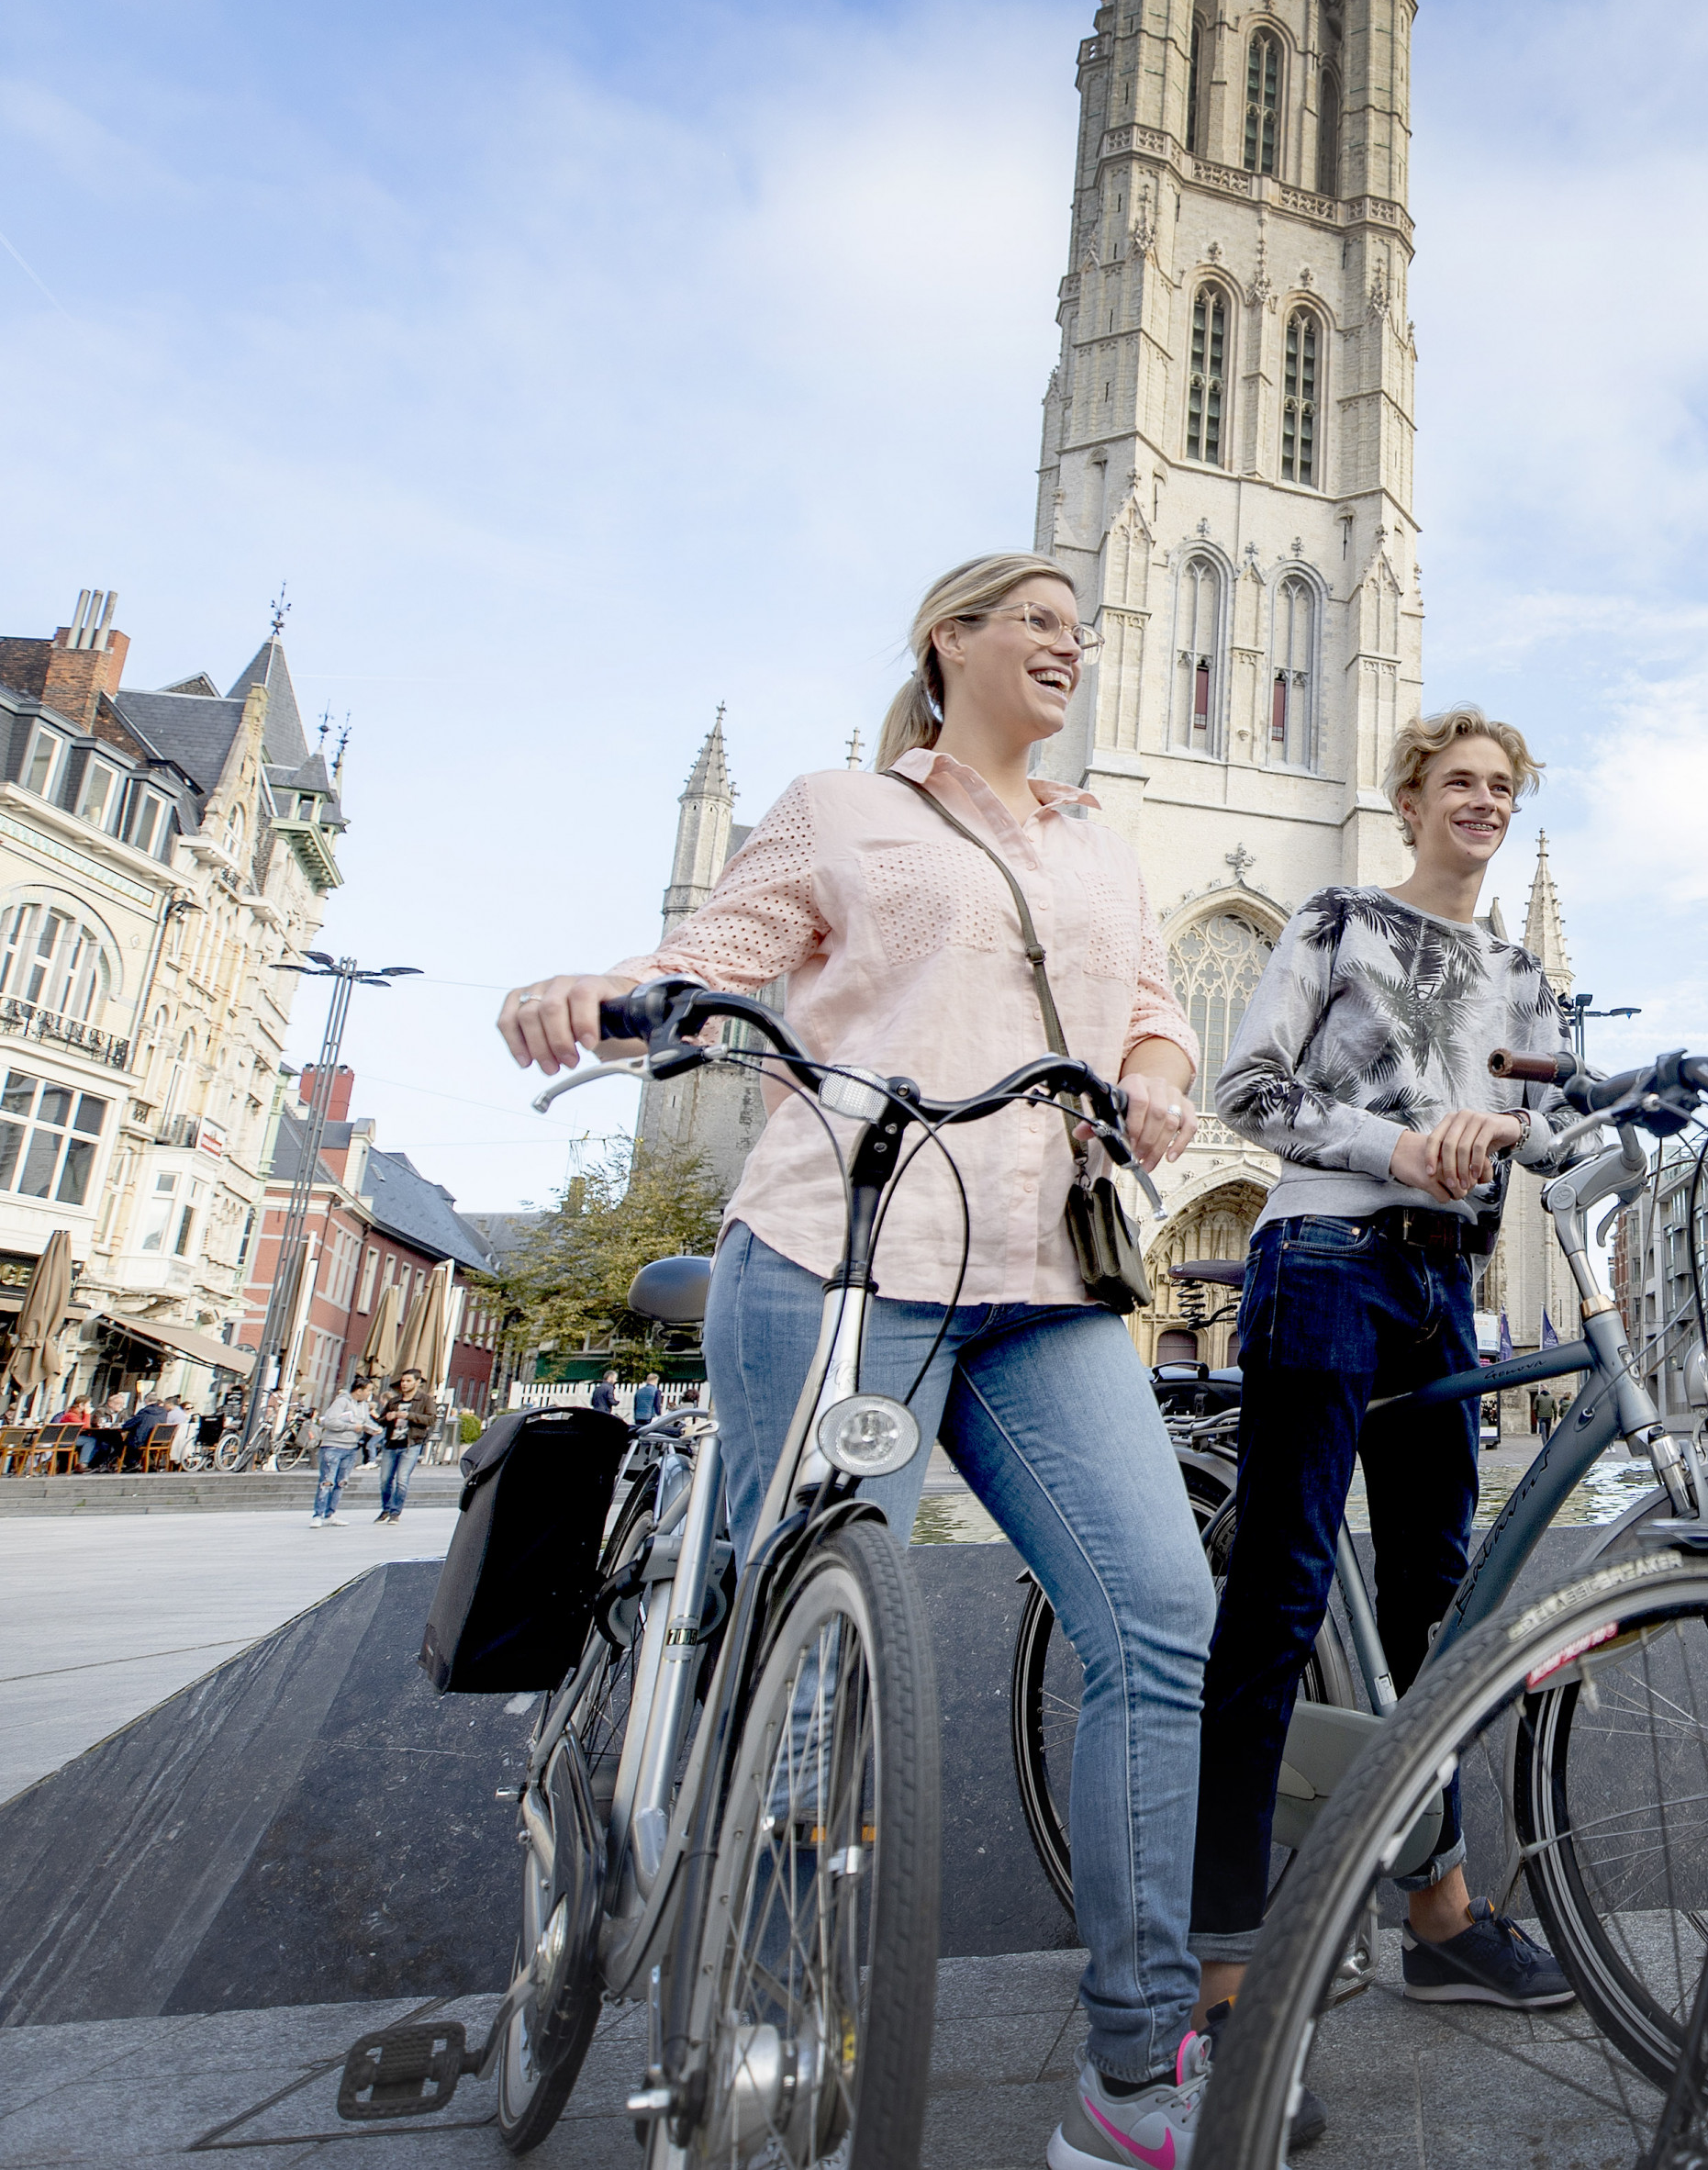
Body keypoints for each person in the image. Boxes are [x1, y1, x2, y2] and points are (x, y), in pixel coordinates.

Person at [497, 548, 1219, 2170]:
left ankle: (1136, 2070)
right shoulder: (843, 808)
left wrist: (1158, 1077)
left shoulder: (1099, 842)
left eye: (1077, 626)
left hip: (1043, 1275)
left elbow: (1152, 1008)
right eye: (1034, 615)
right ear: (947, 640)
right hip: (843, 1249)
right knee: (815, 1660)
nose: (1069, 639)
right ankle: (763, 2027)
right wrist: (600, 999)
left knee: (1159, 1615)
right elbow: (710, 960)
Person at [1201, 707, 1580, 2028]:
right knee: (1282, 1593)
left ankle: (1440, 1915)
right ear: (1409, 799)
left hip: (1440, 1285)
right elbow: (1245, 1090)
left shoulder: (1523, 972)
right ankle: (1229, 1966)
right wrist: (1398, 1146)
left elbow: (1561, 1119)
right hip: (1322, 1253)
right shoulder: (1337, 919)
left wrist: (1529, 1124)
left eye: (1501, 786)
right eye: (1458, 782)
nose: (1483, 800)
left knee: (1438, 1599)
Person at [374, 1370, 438, 1523]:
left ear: (417, 1382)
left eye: (408, 1381)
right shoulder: (394, 1401)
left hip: (411, 1443)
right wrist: (386, 1418)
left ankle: (395, 1513)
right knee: (385, 1480)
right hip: (391, 1443)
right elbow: (380, 1421)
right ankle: (386, 1509)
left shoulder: (425, 1400)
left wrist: (410, 1416)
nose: (404, 1384)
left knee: (402, 1479)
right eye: (403, 1381)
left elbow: (431, 1419)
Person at [308, 1380, 374, 1526]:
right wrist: (353, 1427)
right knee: (327, 1481)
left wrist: (374, 1428)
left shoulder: (363, 1405)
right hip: (333, 1446)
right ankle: (318, 1515)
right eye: (368, 1390)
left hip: (351, 1447)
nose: (370, 1394)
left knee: (341, 1482)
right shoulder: (341, 1402)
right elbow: (330, 1421)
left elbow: (366, 1421)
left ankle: (330, 1513)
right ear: (359, 1390)